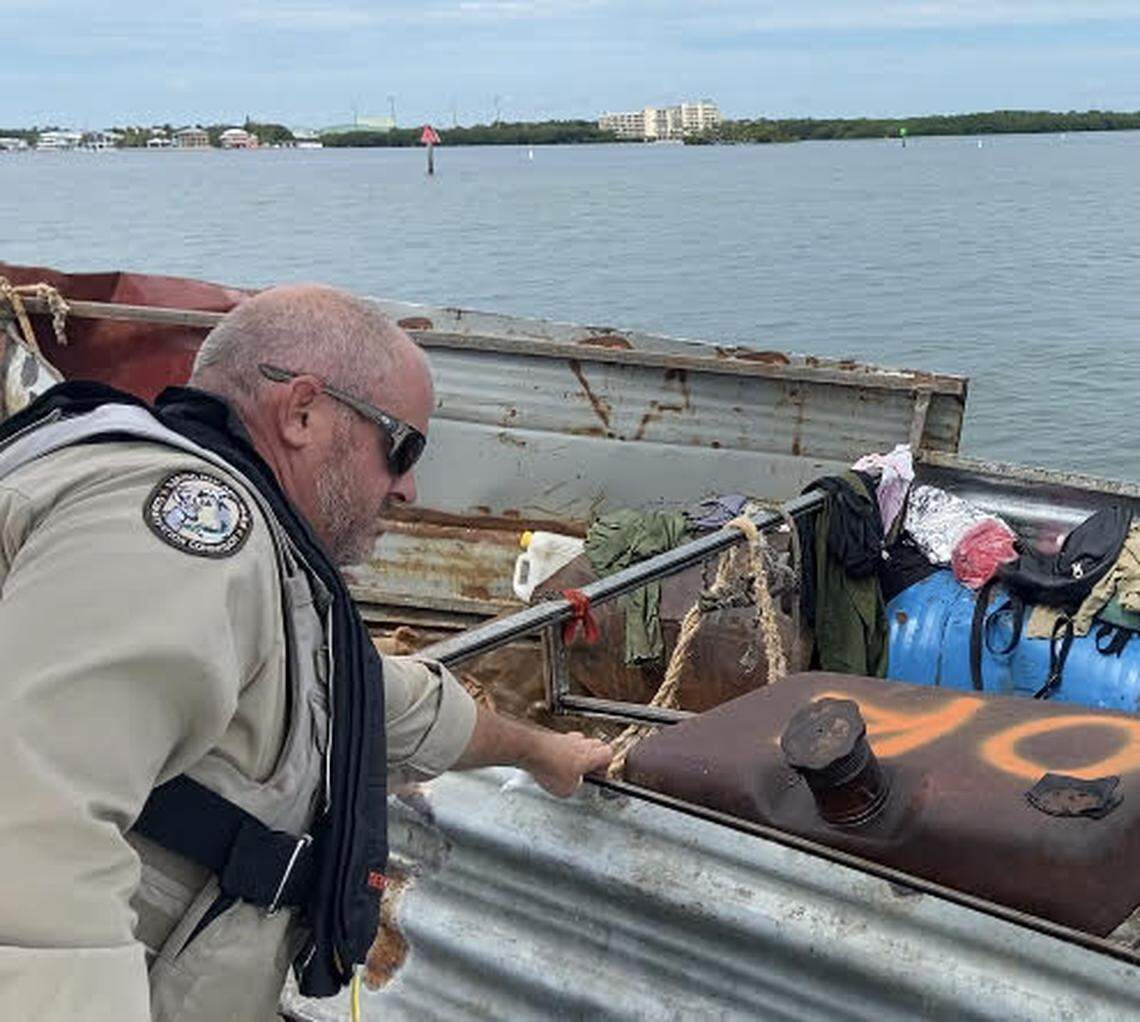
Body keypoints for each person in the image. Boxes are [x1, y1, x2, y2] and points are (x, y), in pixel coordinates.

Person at [0, 284, 612, 1021]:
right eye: (402, 447)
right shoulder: (191, 535)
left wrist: (541, 751)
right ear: (302, 412)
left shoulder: (260, 563)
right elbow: (29, 830)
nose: (410, 488)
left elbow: (372, 700)